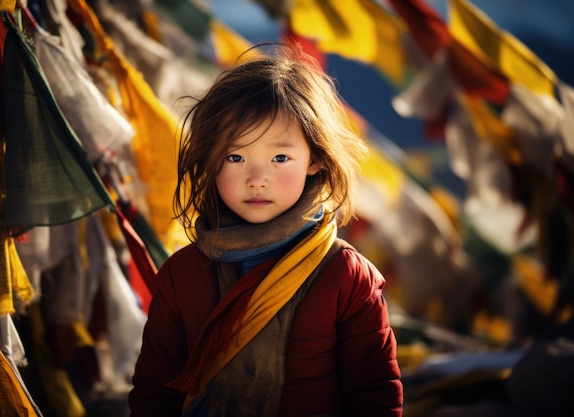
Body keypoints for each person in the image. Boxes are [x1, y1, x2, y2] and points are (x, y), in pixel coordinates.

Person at [128, 44, 403, 416]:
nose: (257, 180)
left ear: (315, 159)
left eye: (280, 158)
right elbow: (154, 393)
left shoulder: (346, 277)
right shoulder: (184, 272)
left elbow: (376, 399)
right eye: (236, 157)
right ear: (210, 160)